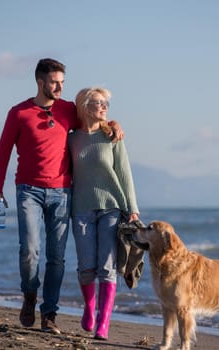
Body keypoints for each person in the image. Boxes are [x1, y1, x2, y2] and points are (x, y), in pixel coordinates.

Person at [0, 59, 122, 334]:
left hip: (63, 192)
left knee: (57, 257)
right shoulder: (19, 113)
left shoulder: (68, 111)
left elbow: (92, 118)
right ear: (40, 82)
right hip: (29, 190)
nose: (60, 87)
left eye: (62, 81)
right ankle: (29, 294)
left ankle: (49, 313)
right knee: (29, 250)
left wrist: (113, 122)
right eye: (54, 82)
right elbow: (2, 152)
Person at [68, 87, 140, 340]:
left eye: (106, 103)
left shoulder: (112, 136)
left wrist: (132, 208)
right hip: (81, 208)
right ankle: (89, 308)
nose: (104, 107)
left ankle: (104, 321)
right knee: (86, 266)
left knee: (106, 267)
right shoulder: (72, 138)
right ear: (85, 106)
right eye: (98, 103)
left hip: (111, 208)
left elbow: (124, 173)